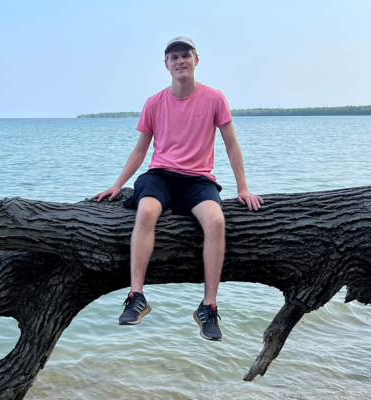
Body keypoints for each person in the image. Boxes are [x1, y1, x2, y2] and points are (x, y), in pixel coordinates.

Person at [92, 36, 263, 341]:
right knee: (146, 210)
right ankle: (136, 297)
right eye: (173, 57)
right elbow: (140, 150)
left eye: (185, 55)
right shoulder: (154, 103)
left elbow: (231, 144)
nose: (180, 61)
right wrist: (117, 185)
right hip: (160, 176)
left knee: (216, 220)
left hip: (198, 181)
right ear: (166, 65)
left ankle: (208, 307)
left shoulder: (215, 98)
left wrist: (243, 188)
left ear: (196, 60)